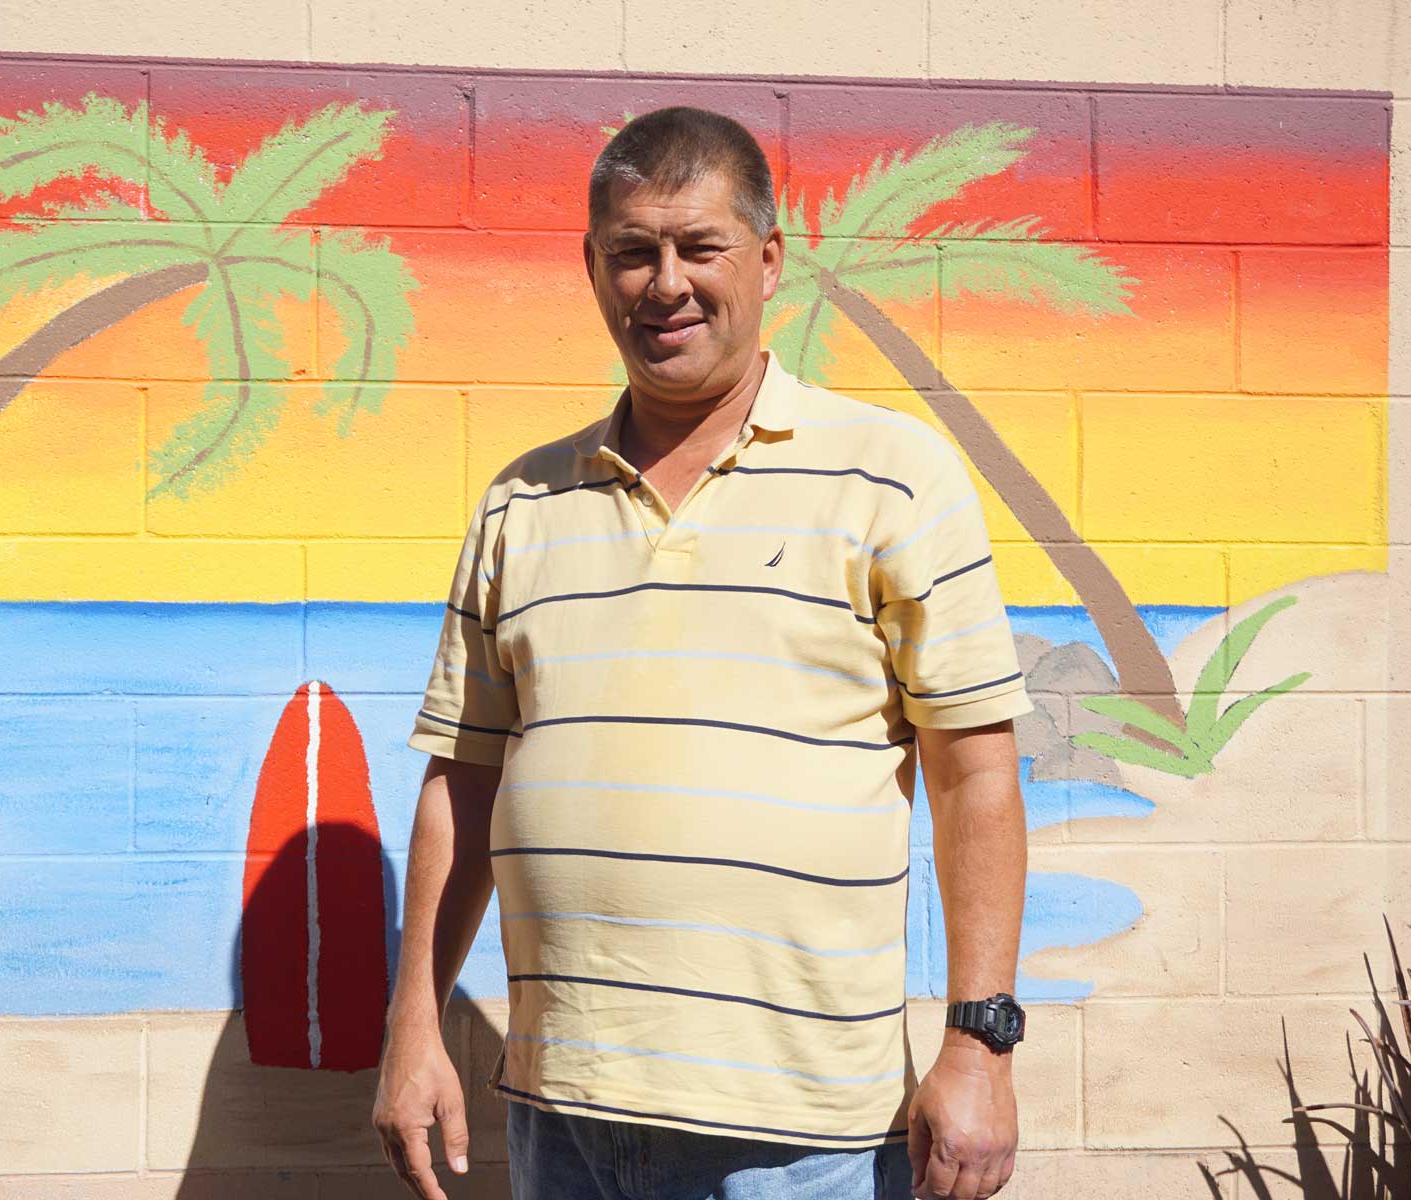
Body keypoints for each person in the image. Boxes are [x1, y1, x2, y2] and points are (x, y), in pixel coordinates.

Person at [373, 105, 1032, 1200]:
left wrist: (979, 1046)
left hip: (801, 1139)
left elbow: (977, 778)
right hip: (561, 1117)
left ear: (768, 260)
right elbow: (464, 779)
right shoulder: (522, 501)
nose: (664, 283)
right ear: (591, 268)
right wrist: (413, 1028)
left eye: (699, 247)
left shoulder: (893, 476)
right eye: (632, 252)